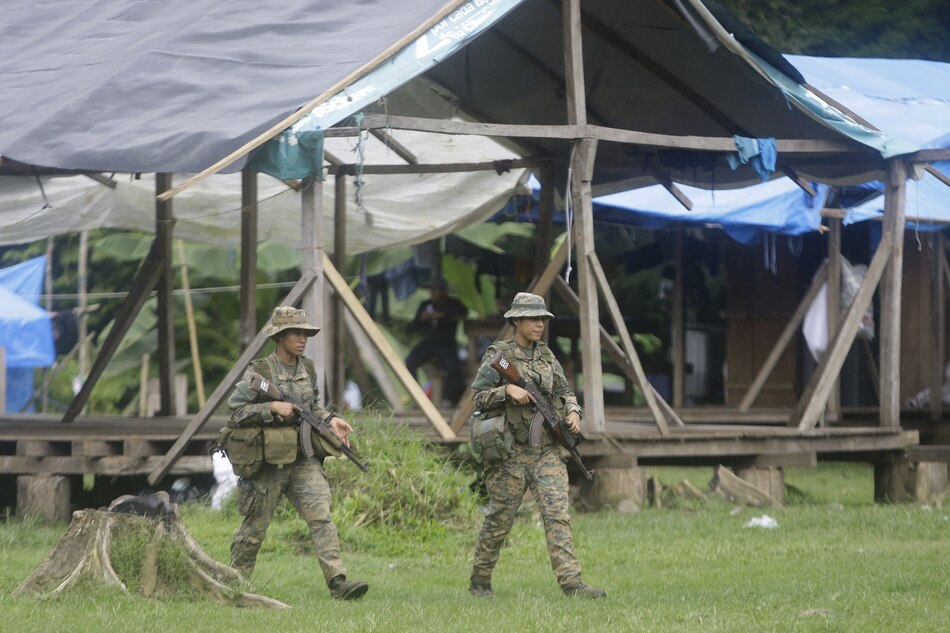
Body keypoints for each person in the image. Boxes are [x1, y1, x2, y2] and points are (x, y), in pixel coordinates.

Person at [468, 292, 605, 599]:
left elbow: (565, 391)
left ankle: (573, 584)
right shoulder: (499, 355)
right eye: (533, 318)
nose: (539, 324)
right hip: (509, 453)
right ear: (516, 320)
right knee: (499, 519)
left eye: (542, 318)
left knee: (557, 516)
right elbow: (476, 398)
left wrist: (573, 412)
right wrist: (507, 391)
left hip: (546, 451)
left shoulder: (546, 356)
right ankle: (479, 581)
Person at [226, 306, 368, 600]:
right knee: (255, 527)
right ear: (280, 337)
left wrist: (330, 420)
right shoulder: (261, 371)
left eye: (305, 333)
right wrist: (270, 408)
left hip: (303, 458)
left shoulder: (308, 368)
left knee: (322, 518)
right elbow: (235, 410)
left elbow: (313, 406)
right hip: (269, 460)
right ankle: (233, 583)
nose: (303, 338)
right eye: (296, 333)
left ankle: (338, 582)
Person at [405, 276, 468, 404]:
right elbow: (414, 326)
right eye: (433, 290)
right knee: (410, 361)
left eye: (439, 290)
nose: (436, 293)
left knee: (453, 368)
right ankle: (416, 396)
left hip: (446, 343)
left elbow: (463, 313)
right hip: (429, 342)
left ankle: (449, 399)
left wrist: (444, 316)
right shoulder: (425, 305)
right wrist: (423, 319)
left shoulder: (453, 303)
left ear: (444, 291)